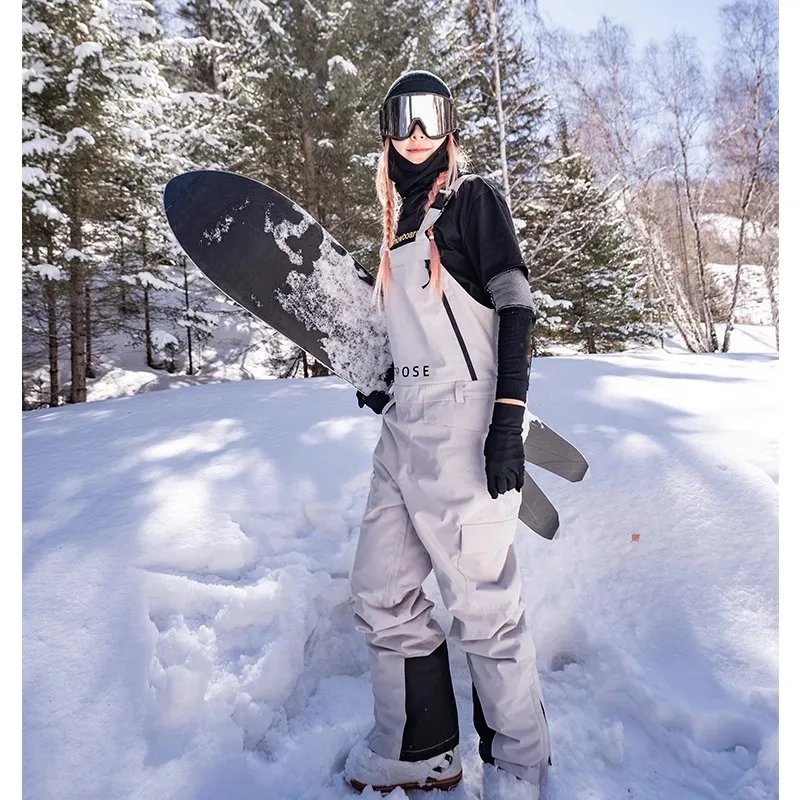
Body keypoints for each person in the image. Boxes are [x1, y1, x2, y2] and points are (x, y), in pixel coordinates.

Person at [344, 70, 551, 799]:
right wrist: (383, 378)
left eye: (432, 117)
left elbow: (515, 309)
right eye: (403, 117)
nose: (418, 134)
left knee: (486, 609)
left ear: (451, 126)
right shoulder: (396, 223)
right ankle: (420, 746)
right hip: (405, 430)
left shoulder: (472, 201)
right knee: (379, 588)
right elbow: (411, 331)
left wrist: (507, 420)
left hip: (466, 424)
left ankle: (521, 766)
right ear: (385, 129)